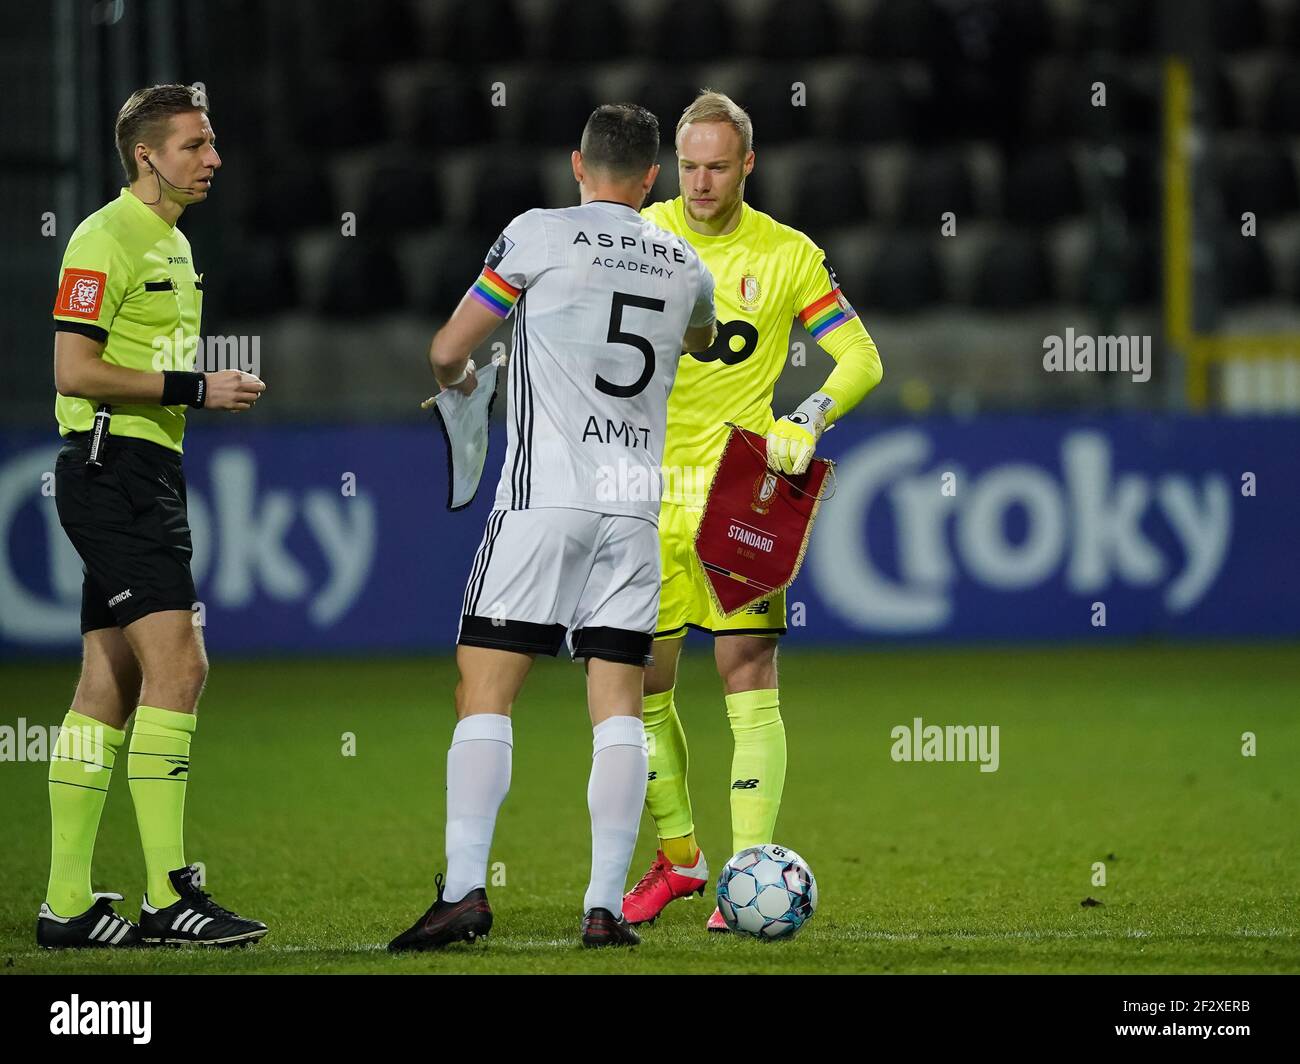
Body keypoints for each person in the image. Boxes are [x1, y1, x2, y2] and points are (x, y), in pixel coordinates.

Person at [388, 103, 716, 951]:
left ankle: (464, 890)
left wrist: (465, 388)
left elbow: (445, 347)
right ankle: (604, 908)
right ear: (653, 178)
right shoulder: (684, 260)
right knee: (616, 706)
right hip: (633, 508)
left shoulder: (538, 233)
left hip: (545, 498)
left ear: (579, 165)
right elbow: (704, 335)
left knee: (484, 689)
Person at [622, 91, 884, 930]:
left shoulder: (788, 255)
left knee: (748, 678)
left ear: (748, 165)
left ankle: (744, 879)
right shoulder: (638, 237)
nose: (701, 183)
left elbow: (861, 357)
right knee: (640, 690)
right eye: (689, 166)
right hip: (642, 492)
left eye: (718, 166)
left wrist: (805, 417)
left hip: (741, 495)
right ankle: (684, 858)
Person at [39, 84, 267, 949]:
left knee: (111, 683)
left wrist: (194, 392)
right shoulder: (105, 237)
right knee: (182, 667)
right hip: (114, 472)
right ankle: (169, 896)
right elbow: (73, 368)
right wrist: (195, 387)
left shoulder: (170, 241)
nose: (212, 158)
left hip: (142, 471)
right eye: (195, 144)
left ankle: (65, 906)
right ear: (148, 156)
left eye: (210, 143)